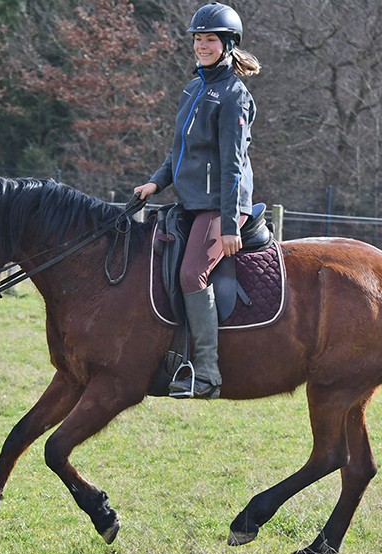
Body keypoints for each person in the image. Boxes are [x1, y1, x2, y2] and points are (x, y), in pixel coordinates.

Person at [135, 2, 260, 399]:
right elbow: (180, 151)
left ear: (228, 44)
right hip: (190, 202)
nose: (202, 46)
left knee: (192, 275)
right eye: (198, 39)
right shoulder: (193, 88)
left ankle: (206, 373)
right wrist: (155, 183)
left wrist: (229, 225)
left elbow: (233, 165)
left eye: (211, 40)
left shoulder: (234, 95)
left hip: (222, 206)